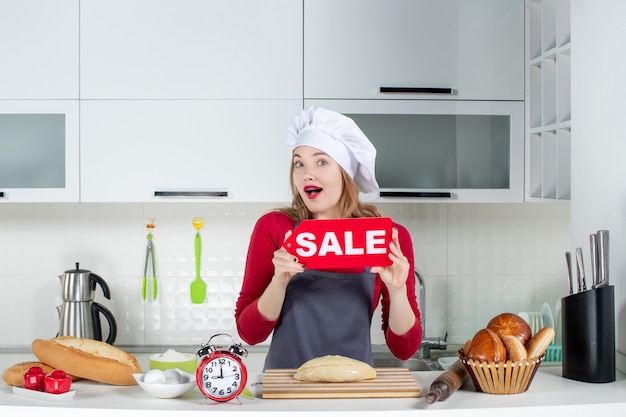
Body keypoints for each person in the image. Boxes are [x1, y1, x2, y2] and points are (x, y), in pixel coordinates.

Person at [234, 106, 422, 370]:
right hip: (285, 389)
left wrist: (398, 290)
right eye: (299, 163)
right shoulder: (276, 228)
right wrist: (279, 282)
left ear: (345, 173)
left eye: (321, 161)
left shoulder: (386, 237)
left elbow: (404, 350)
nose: (306, 173)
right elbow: (250, 334)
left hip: (351, 391)